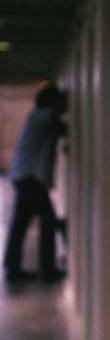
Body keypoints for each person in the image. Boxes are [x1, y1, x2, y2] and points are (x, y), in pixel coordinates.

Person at [3, 81, 67, 283]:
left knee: (20, 223)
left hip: (24, 176)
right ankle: (47, 270)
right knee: (47, 221)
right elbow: (58, 121)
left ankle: (12, 267)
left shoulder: (36, 117)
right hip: (31, 178)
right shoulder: (42, 117)